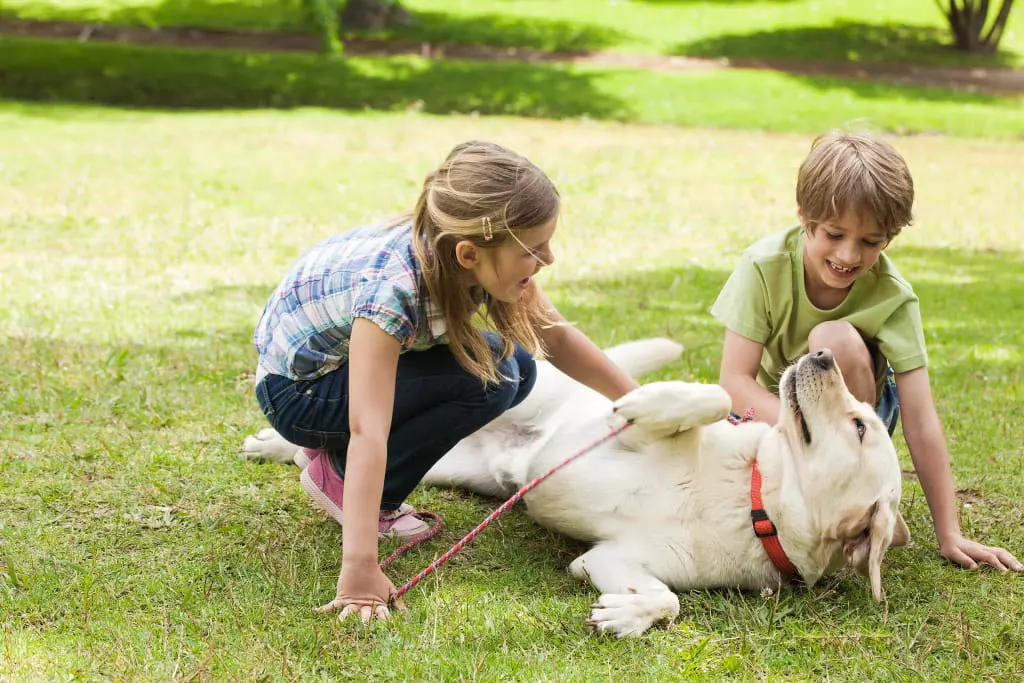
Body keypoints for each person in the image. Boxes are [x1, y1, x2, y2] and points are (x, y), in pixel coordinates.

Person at [252, 140, 639, 623]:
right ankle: (340, 477)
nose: (549, 259)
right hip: (299, 395)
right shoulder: (392, 292)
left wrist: (645, 403)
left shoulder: (457, 256)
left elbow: (554, 335)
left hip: (332, 374)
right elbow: (367, 429)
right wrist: (360, 573)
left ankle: (331, 462)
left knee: (513, 368)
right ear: (469, 252)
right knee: (491, 373)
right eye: (534, 249)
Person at [711, 130, 1022, 573]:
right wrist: (799, 431)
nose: (848, 254)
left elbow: (920, 416)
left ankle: (851, 487)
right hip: (779, 412)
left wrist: (949, 532)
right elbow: (734, 381)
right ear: (804, 217)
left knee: (831, 340)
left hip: (857, 421)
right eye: (835, 234)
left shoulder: (893, 296)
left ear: (889, 239)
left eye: (871, 242)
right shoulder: (763, 267)